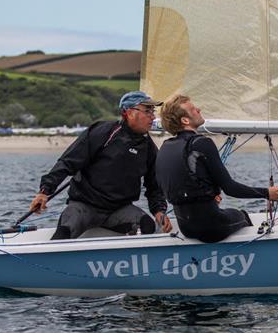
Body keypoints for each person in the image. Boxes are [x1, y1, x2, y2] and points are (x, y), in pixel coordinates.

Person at [29, 91, 173, 239]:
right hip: (84, 206)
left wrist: (159, 210)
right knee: (64, 233)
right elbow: (67, 162)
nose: (153, 116)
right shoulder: (103, 132)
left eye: (153, 111)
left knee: (147, 226)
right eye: (147, 111)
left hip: (119, 210)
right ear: (129, 113)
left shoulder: (148, 147)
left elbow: (154, 185)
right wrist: (44, 191)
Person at [156, 94, 278, 243]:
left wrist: (210, 193)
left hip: (186, 228)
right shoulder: (202, 143)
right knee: (241, 215)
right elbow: (230, 188)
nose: (198, 109)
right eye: (193, 109)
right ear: (185, 120)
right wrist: (268, 193)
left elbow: (179, 182)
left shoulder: (165, 148)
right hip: (212, 228)